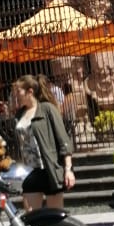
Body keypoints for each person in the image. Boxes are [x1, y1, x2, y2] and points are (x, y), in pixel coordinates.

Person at [12, 74, 75, 212]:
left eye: (18, 91)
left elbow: (63, 140)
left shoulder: (47, 109)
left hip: (49, 170)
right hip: (30, 172)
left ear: (30, 91)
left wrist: (68, 170)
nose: (16, 95)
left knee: (56, 221)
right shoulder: (19, 114)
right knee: (32, 220)